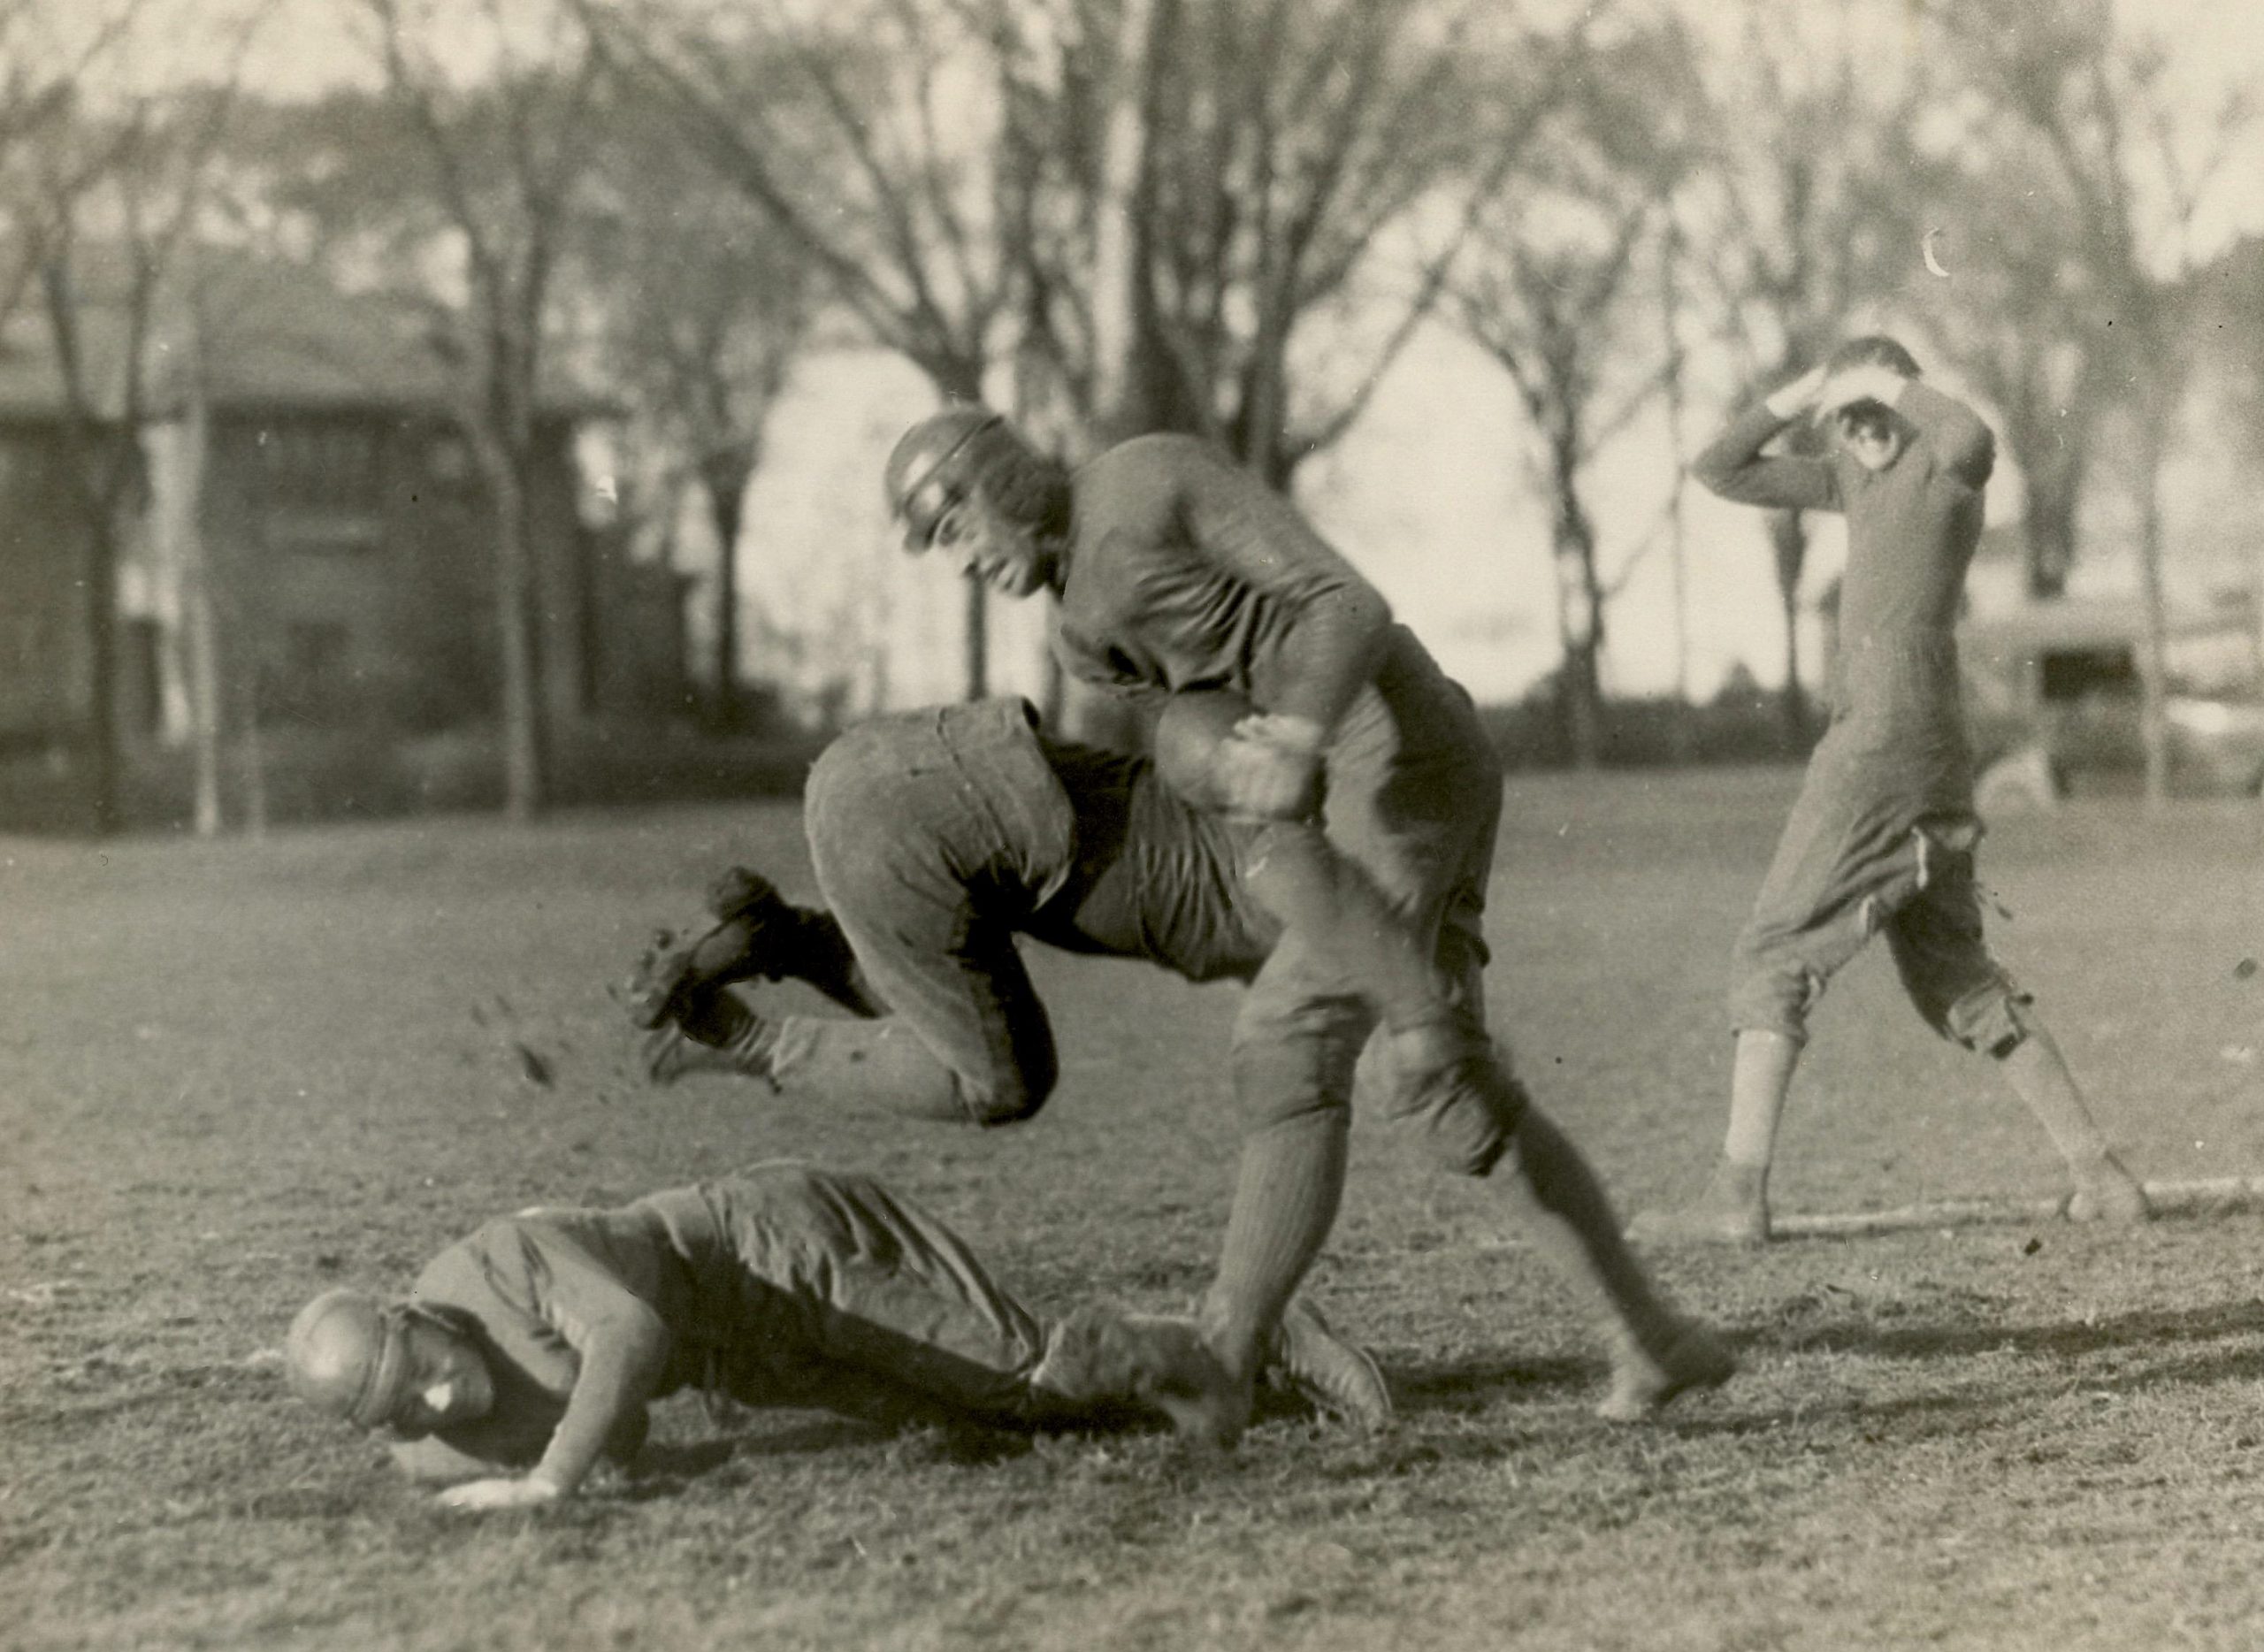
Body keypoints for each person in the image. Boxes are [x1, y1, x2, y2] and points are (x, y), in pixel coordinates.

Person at [631, 689, 1731, 1433]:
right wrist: (1429, 1024)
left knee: (964, 1022)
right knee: (999, 1077)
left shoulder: (1326, 820)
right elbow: (1418, 1041)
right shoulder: (1344, 866)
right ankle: (749, 1033)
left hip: (935, 770)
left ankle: (788, 939)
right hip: (955, 815)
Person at [1629, 335, 2151, 1247]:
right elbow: (1719, 469)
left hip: (1883, 747)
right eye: (1850, 416)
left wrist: (1885, 383)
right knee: (1957, 980)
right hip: (1925, 754)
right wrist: (1804, 391)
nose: (1865, 426)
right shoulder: (1849, 477)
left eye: (1879, 411)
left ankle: (1736, 1197)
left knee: (1772, 953)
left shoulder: (1940, 471)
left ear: (1906, 403)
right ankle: (2101, 1176)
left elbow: (1972, 439)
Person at [283, 1159, 1389, 1511]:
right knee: (981, 1425)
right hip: (747, 1353)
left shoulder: (497, 1261)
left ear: (422, 1315)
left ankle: (1259, 1330)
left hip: (768, 1246)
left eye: (426, 1370)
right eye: (406, 1408)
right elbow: (603, 1429)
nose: (439, 1400)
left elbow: (627, 1334)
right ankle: (1227, 1380)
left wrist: (548, 1480)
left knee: (1023, 1378)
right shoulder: (431, 1444)